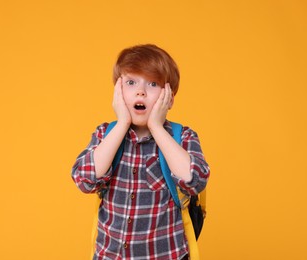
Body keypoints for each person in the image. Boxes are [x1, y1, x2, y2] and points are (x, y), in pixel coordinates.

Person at [71, 44, 210, 260]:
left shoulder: (182, 137)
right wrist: (122, 123)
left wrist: (156, 126)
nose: (141, 91)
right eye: (131, 82)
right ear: (118, 91)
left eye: (153, 84)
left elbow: (196, 180)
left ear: (170, 97)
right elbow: (84, 179)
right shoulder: (106, 134)